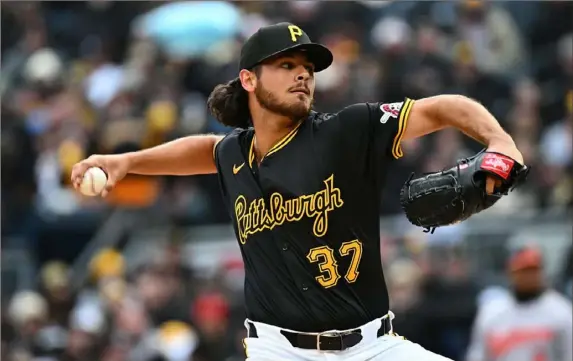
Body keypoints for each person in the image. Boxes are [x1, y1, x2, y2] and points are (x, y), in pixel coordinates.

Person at [71, 23, 524, 361]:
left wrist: (500, 140)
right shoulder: (235, 155)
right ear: (249, 80)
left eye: (307, 68)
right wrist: (124, 162)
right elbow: (202, 150)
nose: (302, 75)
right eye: (286, 65)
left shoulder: (346, 131)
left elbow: (447, 106)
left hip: (373, 346)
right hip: (279, 351)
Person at [465, 246, 572, 361]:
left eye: (532, 270)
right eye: (522, 271)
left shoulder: (561, 311)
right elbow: (478, 354)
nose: (527, 276)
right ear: (510, 273)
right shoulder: (492, 312)